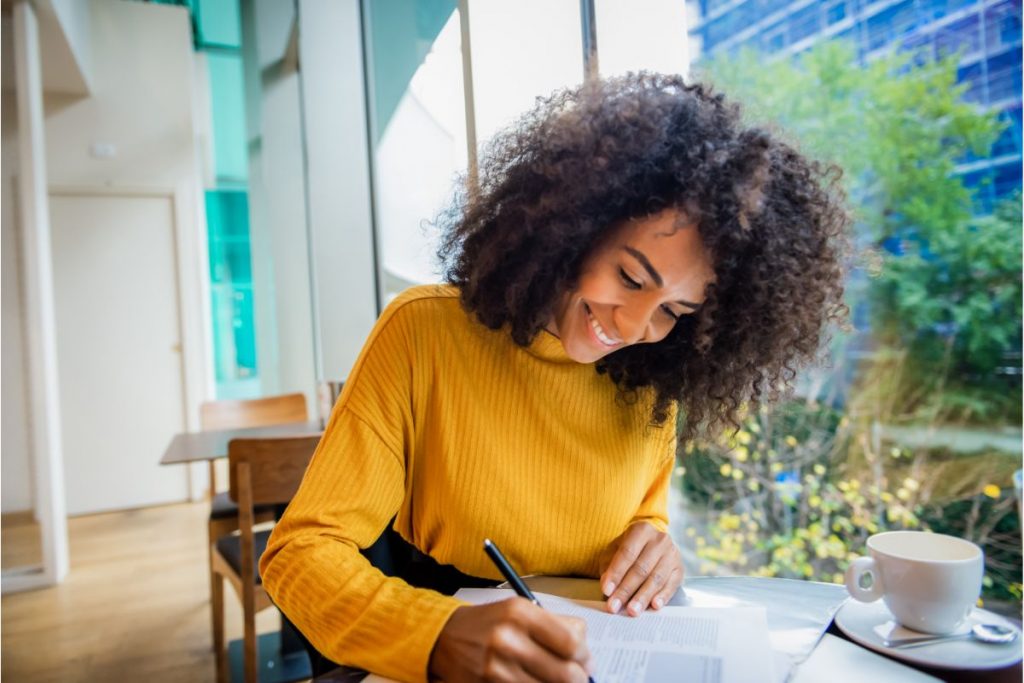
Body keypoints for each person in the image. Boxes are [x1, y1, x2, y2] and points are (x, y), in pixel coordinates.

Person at [260, 72, 847, 683]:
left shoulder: (652, 378)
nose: (636, 325)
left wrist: (653, 546)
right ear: (575, 229)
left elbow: (644, 514)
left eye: (675, 310)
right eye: (629, 277)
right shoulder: (422, 334)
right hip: (439, 638)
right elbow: (299, 553)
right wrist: (435, 634)